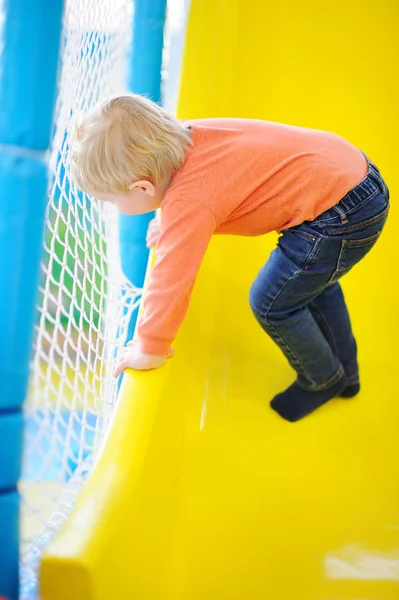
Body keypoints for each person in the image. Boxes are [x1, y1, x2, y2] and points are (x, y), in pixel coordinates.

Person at [70, 94, 390, 422]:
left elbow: (172, 275)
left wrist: (150, 347)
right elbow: (218, 183)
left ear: (141, 188)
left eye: (109, 200)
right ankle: (347, 375)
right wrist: (168, 221)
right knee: (313, 282)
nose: (111, 207)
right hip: (354, 175)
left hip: (338, 216)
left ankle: (323, 379)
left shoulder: (188, 200)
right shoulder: (187, 137)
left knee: (272, 302)